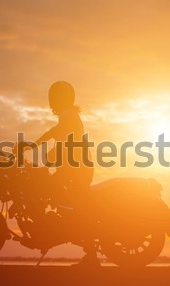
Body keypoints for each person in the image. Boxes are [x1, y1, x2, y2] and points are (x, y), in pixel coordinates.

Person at [34, 81, 98, 267]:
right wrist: (32, 145)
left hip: (77, 168)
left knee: (78, 208)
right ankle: (52, 230)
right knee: (58, 197)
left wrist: (50, 152)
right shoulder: (68, 115)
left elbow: (63, 135)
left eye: (55, 97)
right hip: (75, 166)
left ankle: (90, 254)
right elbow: (54, 133)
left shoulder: (68, 115)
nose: (53, 100)